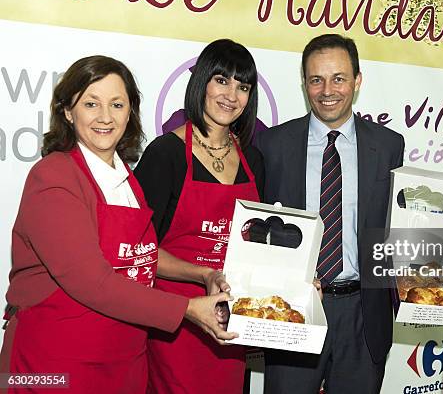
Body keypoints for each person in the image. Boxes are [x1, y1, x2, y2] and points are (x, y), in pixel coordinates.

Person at [0, 55, 236, 393]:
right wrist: (186, 308)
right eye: (91, 103)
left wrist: (204, 274)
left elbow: (143, 256)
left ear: (130, 112)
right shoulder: (53, 178)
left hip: (122, 361)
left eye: (117, 104)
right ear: (68, 111)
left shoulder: (127, 178)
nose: (106, 117)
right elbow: (91, 282)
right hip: (54, 364)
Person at [254, 34, 405, 393]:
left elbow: (395, 227)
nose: (327, 90)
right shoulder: (271, 145)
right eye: (316, 79)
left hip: (364, 313)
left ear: (357, 80)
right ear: (304, 83)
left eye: (338, 78)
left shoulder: (388, 145)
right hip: (293, 309)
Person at [134, 39, 263, 394]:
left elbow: (260, 249)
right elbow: (139, 253)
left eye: (243, 86)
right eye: (221, 81)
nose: (231, 95)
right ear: (202, 83)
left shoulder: (255, 160)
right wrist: (204, 273)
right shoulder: (166, 154)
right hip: (175, 321)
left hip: (229, 324)